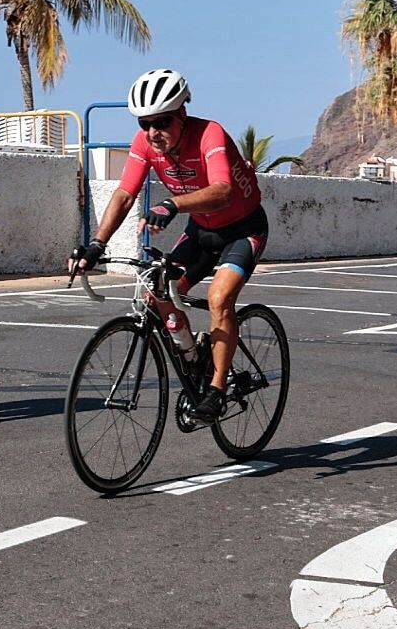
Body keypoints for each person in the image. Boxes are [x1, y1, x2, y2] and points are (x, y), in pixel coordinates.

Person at [70, 69, 267, 423]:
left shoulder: (210, 134)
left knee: (221, 298)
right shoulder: (144, 143)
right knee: (156, 291)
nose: (152, 132)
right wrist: (97, 244)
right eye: (145, 123)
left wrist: (173, 204)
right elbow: (125, 194)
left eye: (161, 122)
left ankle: (217, 391)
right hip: (202, 231)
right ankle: (193, 357)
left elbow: (223, 191)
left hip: (243, 230)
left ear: (182, 114)